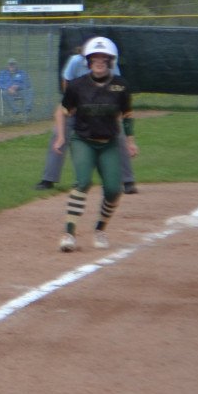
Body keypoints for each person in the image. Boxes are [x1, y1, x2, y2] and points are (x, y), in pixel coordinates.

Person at [53, 37, 138, 252]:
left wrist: (130, 141)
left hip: (109, 142)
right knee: (82, 182)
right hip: (83, 140)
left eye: (104, 59)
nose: (99, 62)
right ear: (88, 62)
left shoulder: (121, 86)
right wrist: (61, 137)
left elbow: (127, 115)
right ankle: (69, 234)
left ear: (110, 61)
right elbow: (61, 111)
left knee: (113, 189)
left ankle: (100, 229)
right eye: (94, 59)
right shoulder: (77, 86)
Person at [37, 43, 137, 193]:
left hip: (102, 109)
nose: (99, 59)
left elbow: (116, 92)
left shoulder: (111, 64)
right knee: (58, 134)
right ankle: (48, 179)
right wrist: (74, 103)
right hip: (75, 106)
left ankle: (128, 181)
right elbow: (67, 82)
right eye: (93, 54)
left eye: (102, 55)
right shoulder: (76, 61)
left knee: (120, 136)